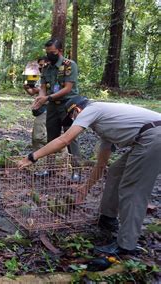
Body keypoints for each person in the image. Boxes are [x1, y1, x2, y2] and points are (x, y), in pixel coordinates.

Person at [18, 96, 161, 255]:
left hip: (154, 136)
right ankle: (108, 218)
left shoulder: (92, 109)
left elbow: (65, 140)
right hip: (148, 137)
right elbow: (101, 165)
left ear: (77, 110)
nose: (73, 122)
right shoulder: (105, 127)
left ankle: (126, 246)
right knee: (115, 171)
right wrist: (85, 188)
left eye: (72, 118)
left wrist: (33, 157)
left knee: (133, 189)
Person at [32, 39, 81, 181]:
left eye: (52, 52)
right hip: (52, 106)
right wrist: (39, 100)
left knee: (71, 138)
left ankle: (76, 171)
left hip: (68, 105)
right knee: (51, 137)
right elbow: (43, 87)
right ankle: (50, 169)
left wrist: (46, 98)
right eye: (47, 52)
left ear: (60, 51)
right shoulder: (47, 68)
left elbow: (67, 88)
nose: (49, 55)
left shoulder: (69, 66)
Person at [23, 57, 48, 155]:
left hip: (47, 109)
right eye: (40, 65)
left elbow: (53, 93)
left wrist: (39, 90)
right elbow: (32, 92)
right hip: (40, 109)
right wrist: (26, 88)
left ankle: (60, 147)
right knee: (36, 138)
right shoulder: (39, 77)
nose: (41, 67)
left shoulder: (52, 76)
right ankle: (38, 163)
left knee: (38, 136)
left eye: (43, 65)